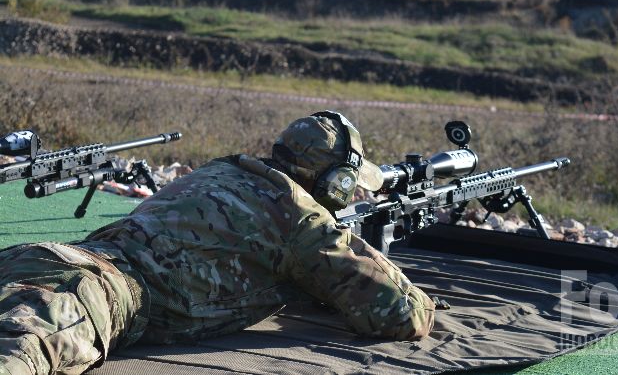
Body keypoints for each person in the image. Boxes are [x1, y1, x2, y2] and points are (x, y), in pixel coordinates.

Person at [0, 111, 435, 375]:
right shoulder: (300, 217)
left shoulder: (223, 170)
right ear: (336, 181)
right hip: (95, 292)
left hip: (46, 257)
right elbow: (399, 314)